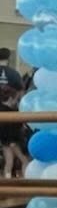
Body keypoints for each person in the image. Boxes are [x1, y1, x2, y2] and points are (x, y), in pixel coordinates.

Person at [0, 48, 29, 179]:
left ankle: (7, 180)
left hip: (3, 120)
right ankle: (24, 182)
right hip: (11, 117)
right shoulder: (14, 74)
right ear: (8, 58)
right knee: (20, 156)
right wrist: (14, 102)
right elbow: (22, 92)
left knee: (8, 153)